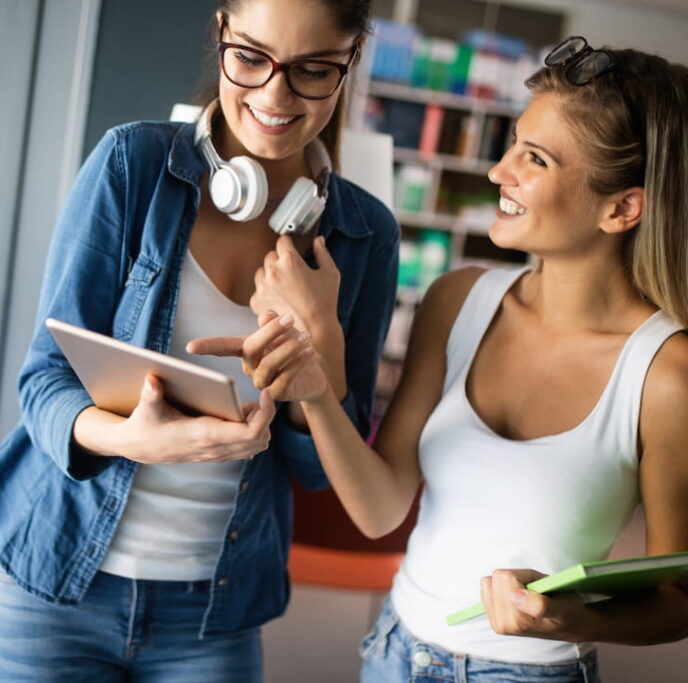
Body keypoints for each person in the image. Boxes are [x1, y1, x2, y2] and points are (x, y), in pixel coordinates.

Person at [191, 36, 688, 682]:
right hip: (396, 650)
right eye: (512, 142)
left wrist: (574, 619)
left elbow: (677, 598)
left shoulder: (665, 374)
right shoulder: (458, 300)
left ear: (621, 208)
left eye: (533, 159)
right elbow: (380, 507)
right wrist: (313, 386)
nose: (497, 172)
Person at [0, 0, 398, 679]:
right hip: (55, 591)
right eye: (251, 57)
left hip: (208, 619)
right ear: (222, 32)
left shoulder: (364, 236)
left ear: (348, 64)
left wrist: (320, 353)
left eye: (313, 69)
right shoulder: (132, 166)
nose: (274, 95)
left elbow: (318, 473)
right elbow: (44, 382)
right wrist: (132, 438)